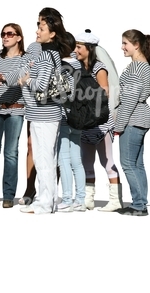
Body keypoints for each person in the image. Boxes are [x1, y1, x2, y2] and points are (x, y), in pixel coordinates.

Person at [18, 7, 72, 214]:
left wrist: (26, 79)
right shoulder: (53, 55)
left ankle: (44, 202)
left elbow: (40, 86)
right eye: (38, 26)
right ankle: (48, 200)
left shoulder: (46, 56)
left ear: (52, 33)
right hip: (48, 113)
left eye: (41, 27)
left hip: (44, 114)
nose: (37, 31)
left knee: (43, 158)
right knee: (48, 157)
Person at [0, 23, 30, 208]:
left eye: (10, 33)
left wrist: (3, 78)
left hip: (15, 110)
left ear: (19, 37)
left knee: (11, 154)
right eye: (3, 33)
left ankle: (9, 196)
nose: (5, 36)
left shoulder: (27, 58)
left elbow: (23, 73)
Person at [74, 29, 123, 212]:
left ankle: (115, 200)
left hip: (101, 124)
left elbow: (104, 93)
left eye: (78, 47)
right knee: (87, 162)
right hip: (85, 124)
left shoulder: (99, 68)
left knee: (107, 162)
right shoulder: (77, 68)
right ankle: (88, 199)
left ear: (88, 48)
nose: (75, 50)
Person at [115, 29, 150, 216]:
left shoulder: (135, 67)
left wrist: (119, 126)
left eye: (125, 43)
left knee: (128, 163)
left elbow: (130, 100)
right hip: (141, 118)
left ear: (136, 45)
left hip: (133, 119)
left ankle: (139, 205)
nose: (122, 47)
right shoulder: (144, 66)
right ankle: (141, 202)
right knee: (137, 164)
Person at [56, 32, 86, 212]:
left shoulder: (63, 66)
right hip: (81, 116)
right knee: (77, 160)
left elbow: (63, 92)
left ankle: (67, 199)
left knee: (63, 159)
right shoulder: (81, 65)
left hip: (65, 116)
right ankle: (80, 200)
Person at [18, 42, 41, 206]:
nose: (38, 30)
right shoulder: (33, 47)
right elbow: (24, 72)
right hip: (33, 107)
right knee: (31, 146)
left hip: (54, 107)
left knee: (54, 150)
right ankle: (29, 188)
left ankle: (52, 190)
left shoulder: (61, 45)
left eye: (42, 26)